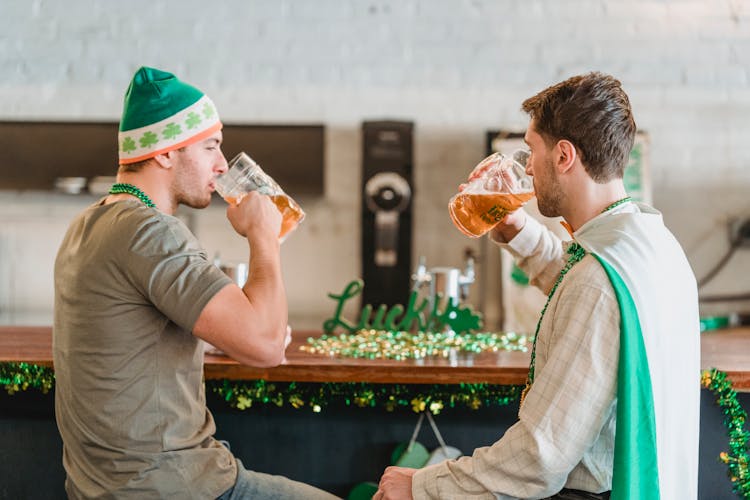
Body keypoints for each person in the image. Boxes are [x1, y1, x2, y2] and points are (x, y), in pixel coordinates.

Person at [375, 72, 700, 499]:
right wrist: (515, 230)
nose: (527, 167)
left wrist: (421, 485)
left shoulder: (597, 281)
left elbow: (538, 458)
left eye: (531, 150)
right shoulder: (649, 242)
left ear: (564, 155)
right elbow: (577, 276)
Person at [53, 66, 339, 499]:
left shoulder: (89, 224)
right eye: (210, 147)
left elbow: (126, 337)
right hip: (169, 485)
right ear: (165, 153)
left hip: (101, 486)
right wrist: (264, 235)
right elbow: (265, 348)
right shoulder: (151, 232)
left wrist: (212, 336)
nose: (222, 165)